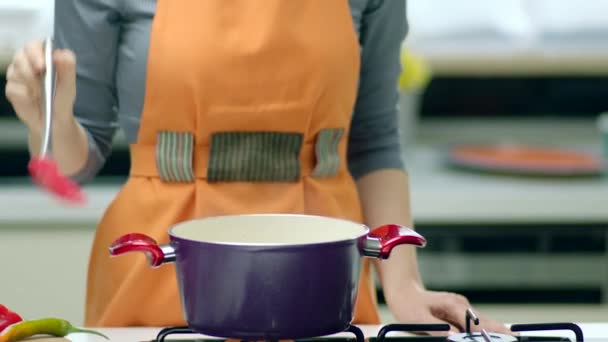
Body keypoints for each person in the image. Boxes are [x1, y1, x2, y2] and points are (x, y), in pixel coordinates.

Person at [5, 0, 510, 337]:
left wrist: (404, 285)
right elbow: (76, 158)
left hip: (323, 273)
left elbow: (374, 141)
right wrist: (46, 118)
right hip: (159, 266)